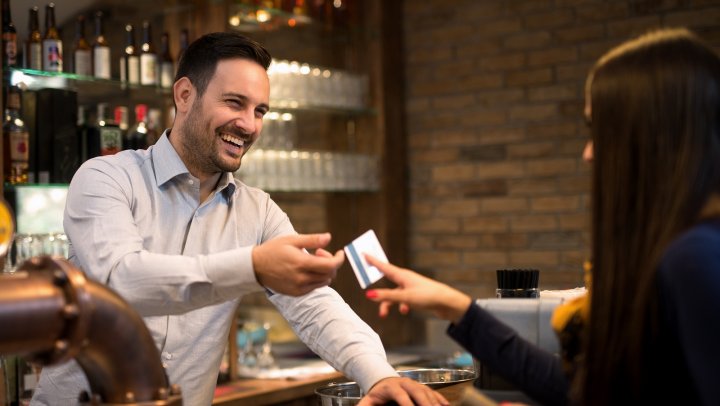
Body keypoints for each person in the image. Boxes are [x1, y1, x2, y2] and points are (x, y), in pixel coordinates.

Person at [31, 32, 446, 406]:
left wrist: (376, 374)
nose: (248, 125)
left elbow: (314, 305)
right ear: (184, 95)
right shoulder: (106, 177)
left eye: (260, 110)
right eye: (234, 103)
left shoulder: (258, 210)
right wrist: (253, 267)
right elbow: (121, 280)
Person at [364, 27, 720, 406]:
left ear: (651, 137)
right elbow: (587, 390)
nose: (588, 153)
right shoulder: (675, 250)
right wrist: (456, 308)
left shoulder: (694, 258)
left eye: (598, 131)